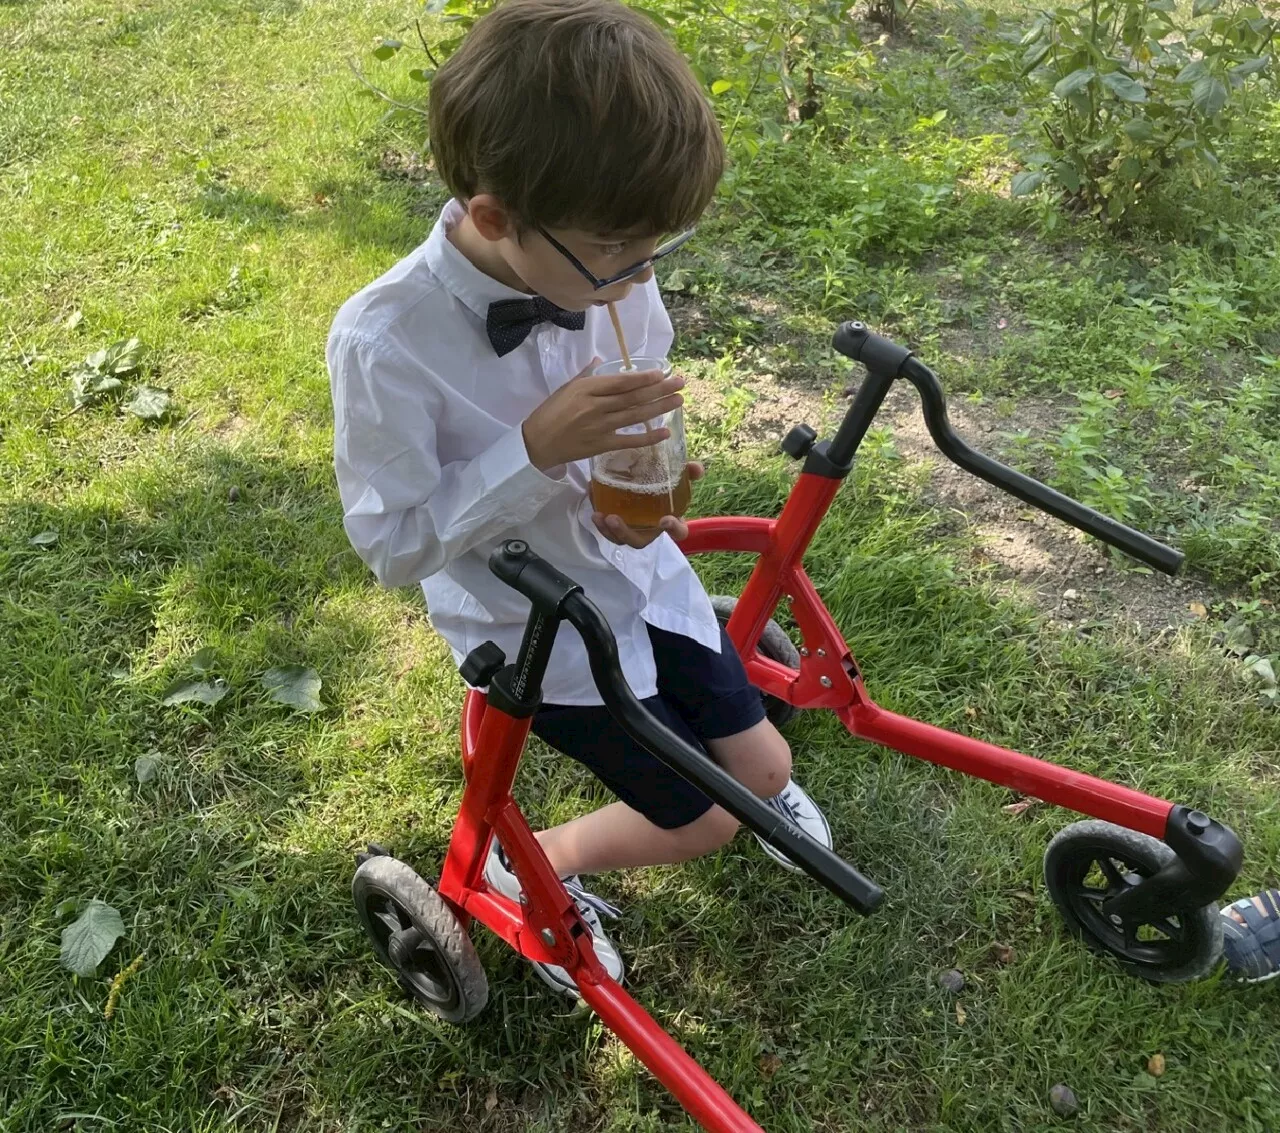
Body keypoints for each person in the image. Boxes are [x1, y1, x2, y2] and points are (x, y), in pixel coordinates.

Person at [326, 0, 832, 996]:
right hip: (536, 632)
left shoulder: (604, 269)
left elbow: (635, 409)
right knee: (706, 816)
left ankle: (742, 789)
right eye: (619, 257)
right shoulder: (385, 343)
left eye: (655, 253)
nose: (639, 281)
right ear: (492, 218)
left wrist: (641, 494)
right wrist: (529, 452)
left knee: (763, 771)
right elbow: (391, 545)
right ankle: (534, 857)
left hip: (643, 577)